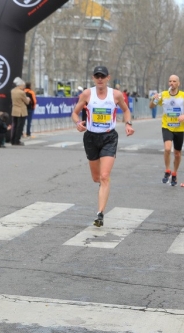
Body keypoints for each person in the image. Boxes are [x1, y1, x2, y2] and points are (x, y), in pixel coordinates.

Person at [71, 66, 134, 228]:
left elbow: (126, 111)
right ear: (93, 78)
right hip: (91, 137)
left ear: (108, 78)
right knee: (96, 178)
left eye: (103, 76)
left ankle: (100, 213)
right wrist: (78, 123)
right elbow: (75, 113)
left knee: (105, 176)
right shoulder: (87, 94)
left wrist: (128, 124)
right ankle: (102, 188)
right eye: (97, 76)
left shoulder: (116, 95)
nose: (100, 79)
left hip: (109, 137)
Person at [150, 75, 184, 186]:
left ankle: (174, 173)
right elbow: (151, 106)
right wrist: (154, 100)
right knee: (167, 148)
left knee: (177, 154)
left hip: (179, 128)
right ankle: (167, 170)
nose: (172, 83)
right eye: (170, 81)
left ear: (178, 83)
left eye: (174, 81)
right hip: (167, 126)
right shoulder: (163, 95)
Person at [10, 77, 29, 145]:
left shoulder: (13, 91)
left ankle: (12, 139)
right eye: (23, 86)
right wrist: (28, 99)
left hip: (14, 110)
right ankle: (17, 140)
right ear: (20, 85)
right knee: (19, 127)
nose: (24, 87)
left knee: (14, 126)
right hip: (21, 111)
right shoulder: (21, 92)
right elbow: (26, 102)